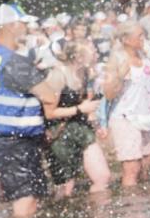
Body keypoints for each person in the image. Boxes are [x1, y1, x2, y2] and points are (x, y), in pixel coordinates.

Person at [0, 4, 57, 218]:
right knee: (26, 200)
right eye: (24, 23)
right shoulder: (15, 61)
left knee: (20, 195)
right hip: (18, 139)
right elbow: (49, 96)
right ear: (11, 26)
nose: (27, 28)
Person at [40, 38, 108, 197]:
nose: (96, 53)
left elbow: (84, 102)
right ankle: (62, 217)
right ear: (78, 57)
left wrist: (97, 125)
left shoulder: (84, 72)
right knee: (66, 188)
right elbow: (49, 112)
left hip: (81, 129)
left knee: (102, 178)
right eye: (92, 51)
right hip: (59, 133)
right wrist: (80, 109)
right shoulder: (58, 75)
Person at [103, 21, 150, 187]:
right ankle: (131, 209)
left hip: (145, 116)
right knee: (132, 168)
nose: (144, 38)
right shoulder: (116, 59)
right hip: (125, 117)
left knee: (146, 164)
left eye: (144, 35)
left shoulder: (144, 55)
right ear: (126, 39)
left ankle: (145, 202)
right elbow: (108, 93)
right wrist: (120, 76)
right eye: (140, 36)